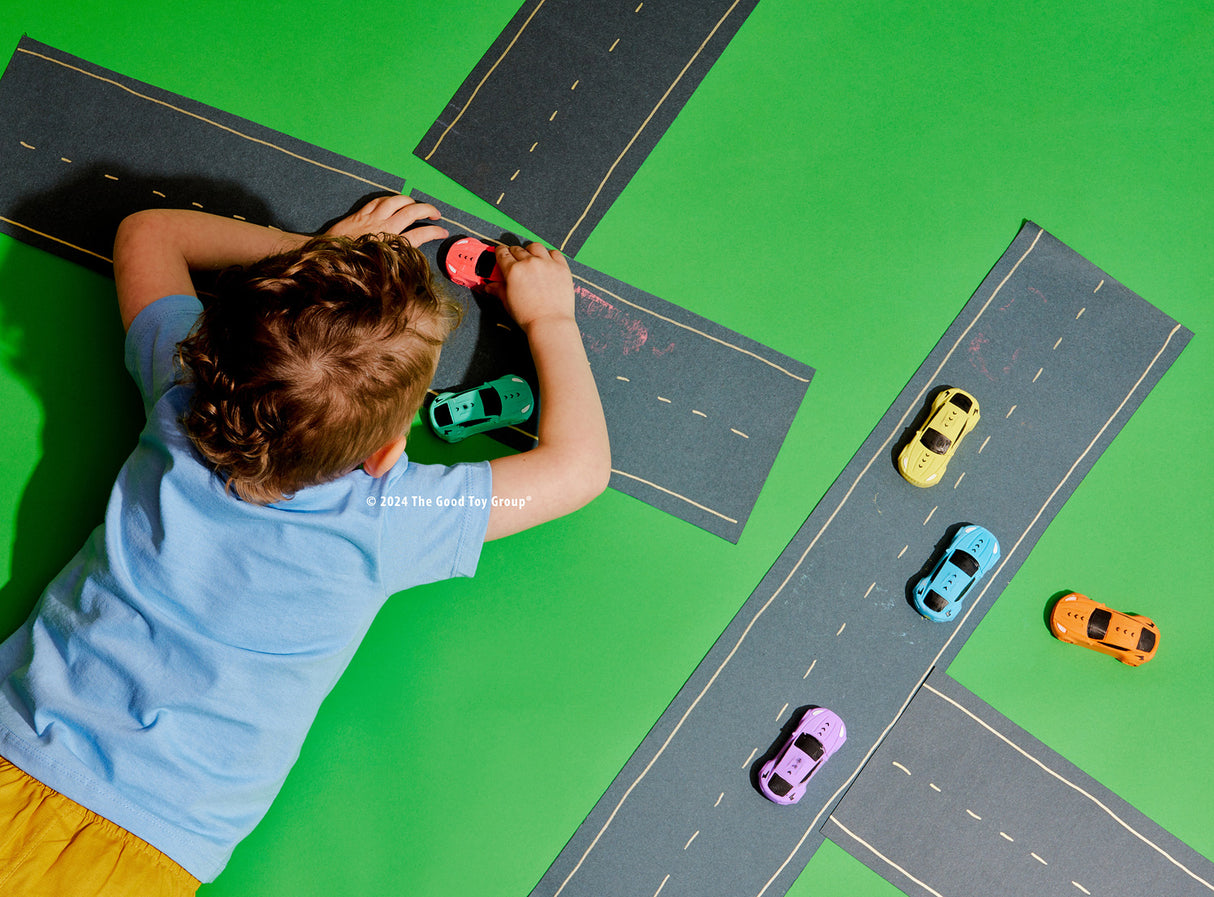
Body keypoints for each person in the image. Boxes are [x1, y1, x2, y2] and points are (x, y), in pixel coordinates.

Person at [0, 194, 610, 895]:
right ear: (386, 449)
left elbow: (147, 231)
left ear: (221, 343)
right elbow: (579, 468)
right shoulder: (387, 511)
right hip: (142, 847)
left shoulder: (184, 392)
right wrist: (550, 317)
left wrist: (309, 255)